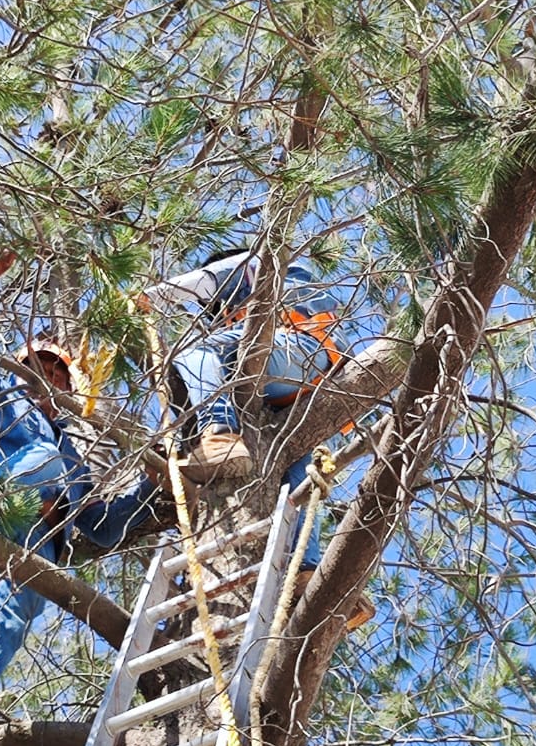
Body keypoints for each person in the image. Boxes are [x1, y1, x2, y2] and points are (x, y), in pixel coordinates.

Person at [0, 252, 167, 732]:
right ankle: (39, 507)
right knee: (47, 463)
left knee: (23, 598)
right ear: (16, 370)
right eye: (37, 367)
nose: (47, 378)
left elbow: (104, 526)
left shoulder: (72, 456)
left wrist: (147, 488)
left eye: (57, 374)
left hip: (28, 542)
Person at [141, 246, 371, 628]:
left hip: (302, 351)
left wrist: (150, 297)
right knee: (295, 482)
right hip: (300, 396)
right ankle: (309, 576)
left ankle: (219, 436)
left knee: (198, 352)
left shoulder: (259, 262)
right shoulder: (282, 290)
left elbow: (207, 282)